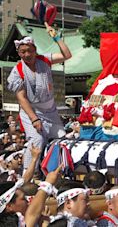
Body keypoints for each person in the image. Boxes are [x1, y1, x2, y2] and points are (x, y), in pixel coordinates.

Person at [7, 23, 72, 170]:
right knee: (37, 140)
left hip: (51, 111)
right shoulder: (17, 71)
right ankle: (29, 174)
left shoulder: (44, 59)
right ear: (18, 53)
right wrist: (34, 118)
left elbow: (66, 55)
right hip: (32, 112)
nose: (27, 55)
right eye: (22, 52)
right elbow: (21, 97)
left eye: (29, 51)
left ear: (35, 51)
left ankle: (55, 170)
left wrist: (56, 38)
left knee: (62, 139)